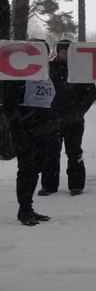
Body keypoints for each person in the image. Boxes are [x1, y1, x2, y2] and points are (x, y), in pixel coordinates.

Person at [1, 39, 55, 225]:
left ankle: (27, 207)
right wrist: (19, 131)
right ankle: (25, 210)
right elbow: (9, 104)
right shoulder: (18, 74)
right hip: (25, 127)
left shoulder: (47, 73)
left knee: (36, 168)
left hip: (42, 128)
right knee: (27, 169)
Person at [40, 38, 96, 196]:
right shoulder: (48, 68)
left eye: (68, 50)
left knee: (74, 152)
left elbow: (90, 94)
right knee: (51, 153)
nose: (65, 53)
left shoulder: (80, 69)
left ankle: (76, 185)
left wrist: (79, 112)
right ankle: (49, 185)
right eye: (63, 50)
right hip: (52, 118)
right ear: (58, 51)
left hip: (74, 120)